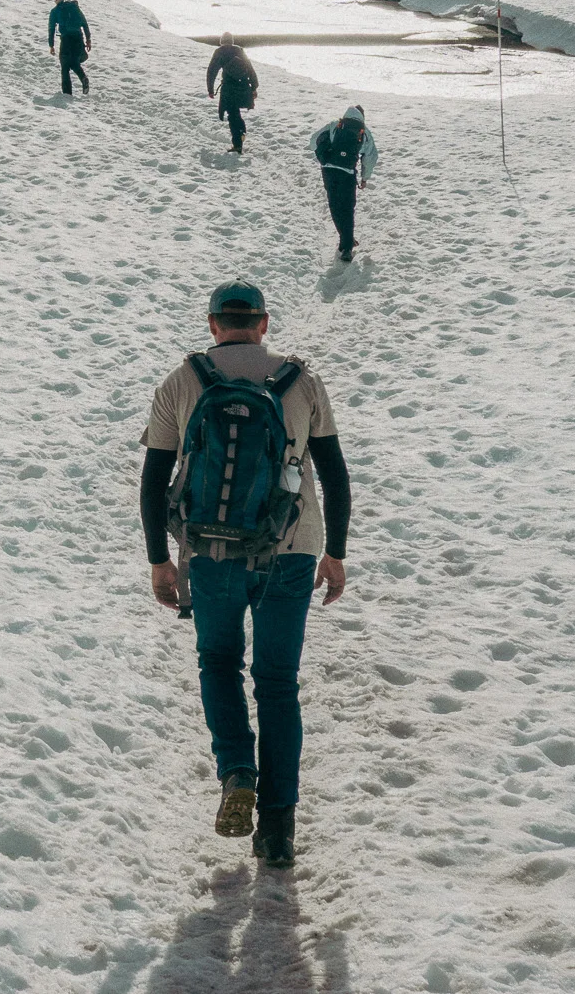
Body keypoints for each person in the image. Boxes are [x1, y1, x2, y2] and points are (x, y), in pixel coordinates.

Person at [139, 280, 352, 869]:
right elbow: (333, 475)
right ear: (263, 323)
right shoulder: (302, 382)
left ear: (213, 325)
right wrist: (334, 551)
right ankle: (278, 829)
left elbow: (155, 480)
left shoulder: (182, 382)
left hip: (212, 554)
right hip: (292, 548)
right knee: (278, 682)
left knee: (218, 663)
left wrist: (160, 559)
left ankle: (237, 771)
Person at [311, 105, 379, 262]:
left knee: (334, 205)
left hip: (329, 171)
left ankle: (345, 239)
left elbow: (313, 140)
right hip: (347, 172)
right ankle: (347, 245)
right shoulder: (364, 132)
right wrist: (364, 178)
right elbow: (370, 156)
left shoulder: (335, 125)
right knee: (348, 207)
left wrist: (325, 155)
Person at [206, 32, 259, 152]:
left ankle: (237, 143)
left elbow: (212, 71)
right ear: (232, 41)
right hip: (243, 86)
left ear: (222, 41)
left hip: (229, 88)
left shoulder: (220, 52)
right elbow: (250, 69)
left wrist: (210, 89)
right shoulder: (240, 51)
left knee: (232, 114)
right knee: (235, 113)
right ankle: (241, 133)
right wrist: (254, 87)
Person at [48, 0, 92, 95]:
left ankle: (67, 93)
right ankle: (83, 78)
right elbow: (84, 24)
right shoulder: (75, 7)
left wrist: (51, 45)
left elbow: (51, 28)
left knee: (65, 66)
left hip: (66, 39)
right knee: (74, 62)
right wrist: (88, 40)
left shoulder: (55, 10)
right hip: (78, 38)